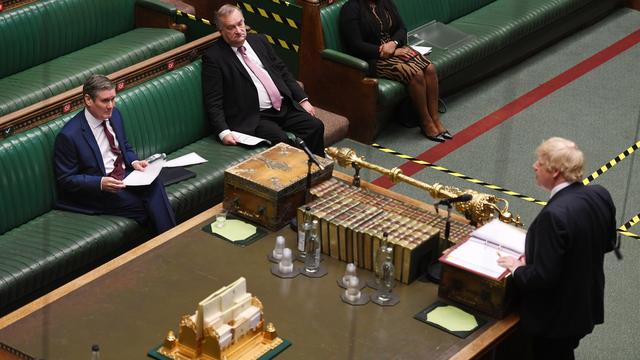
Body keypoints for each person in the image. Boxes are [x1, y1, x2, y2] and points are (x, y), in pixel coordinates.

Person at [497, 137, 617, 360]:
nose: (534, 166)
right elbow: (608, 243)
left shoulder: (554, 216)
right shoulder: (600, 194)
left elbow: (542, 278)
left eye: (540, 162)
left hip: (555, 319)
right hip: (585, 305)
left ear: (555, 172)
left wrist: (517, 268)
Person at [54, 75, 176, 235]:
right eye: (105, 101)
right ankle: (172, 242)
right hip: (100, 191)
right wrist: (100, 182)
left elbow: (124, 145)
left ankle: (168, 243)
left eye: (113, 99)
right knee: (149, 208)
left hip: (125, 177)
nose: (110, 106)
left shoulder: (115, 115)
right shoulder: (69, 135)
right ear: (88, 100)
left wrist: (133, 162)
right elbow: (65, 179)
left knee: (155, 185)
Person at [202, 4, 325, 156]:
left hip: (282, 106)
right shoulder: (214, 57)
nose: (238, 30)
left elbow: (282, 71)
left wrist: (302, 99)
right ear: (221, 31)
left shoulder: (259, 41)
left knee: (315, 126)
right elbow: (213, 99)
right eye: (231, 27)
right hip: (255, 116)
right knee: (281, 141)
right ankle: (293, 177)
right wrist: (223, 131)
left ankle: (316, 171)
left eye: (240, 24)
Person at [339, 0, 451, 143]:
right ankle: (426, 121)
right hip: (373, 57)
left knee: (429, 68)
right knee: (415, 73)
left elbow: (402, 29)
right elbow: (355, 45)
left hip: (396, 49)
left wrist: (394, 44)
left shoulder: (385, 2)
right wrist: (384, 52)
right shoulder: (351, 8)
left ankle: (435, 118)